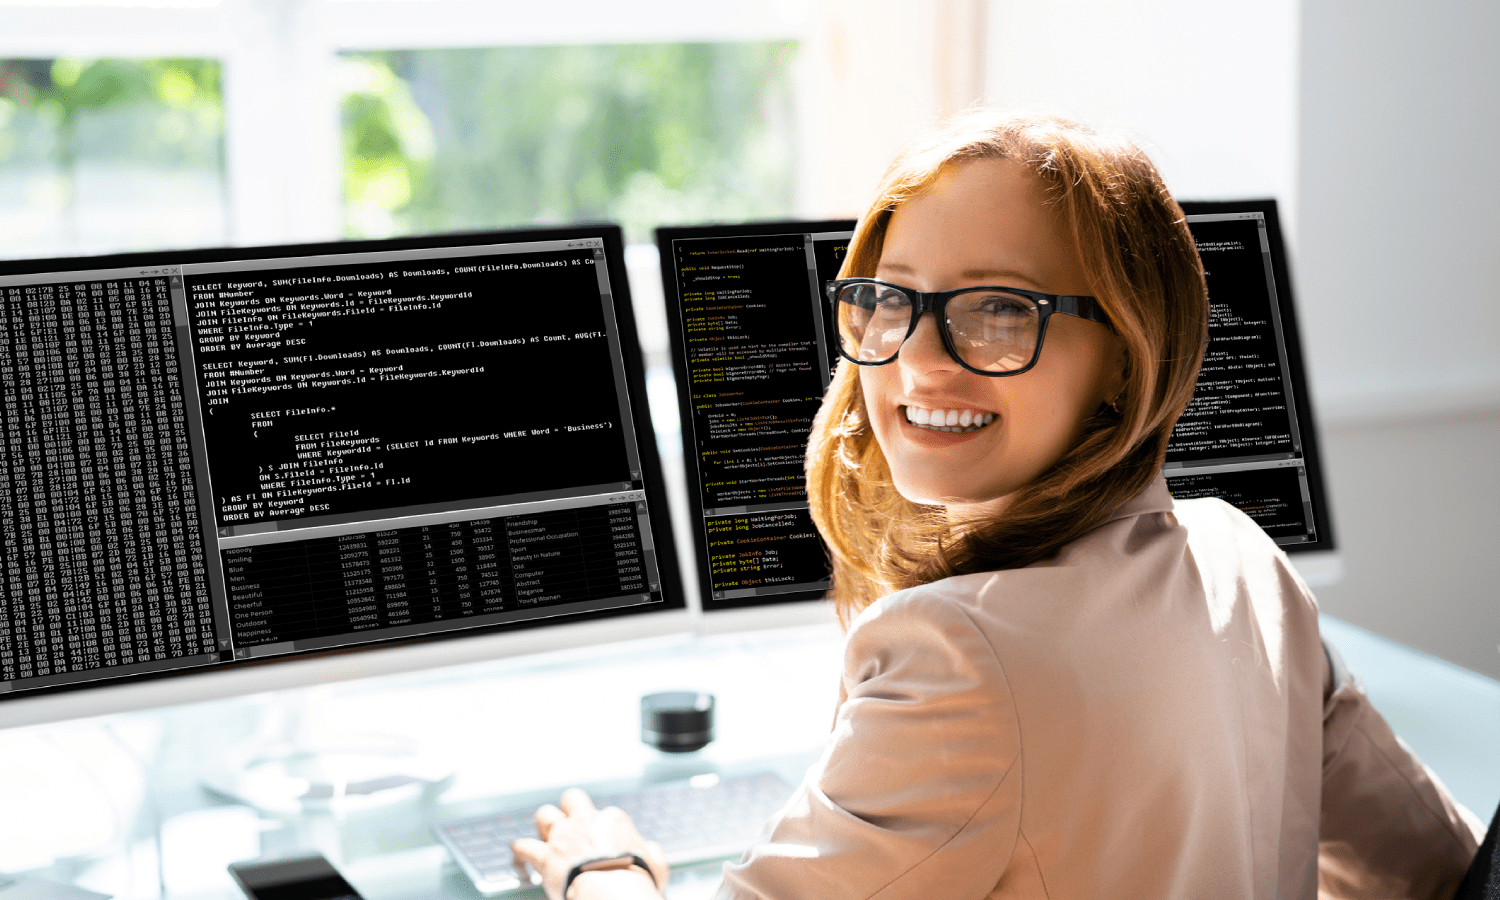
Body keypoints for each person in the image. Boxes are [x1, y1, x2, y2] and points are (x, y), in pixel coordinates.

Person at [511, 110, 1483, 899]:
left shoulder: (960, 655)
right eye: (891, 299)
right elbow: (1434, 869)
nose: (920, 359)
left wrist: (603, 872)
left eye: (999, 308)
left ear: (1125, 357)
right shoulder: (1242, 559)